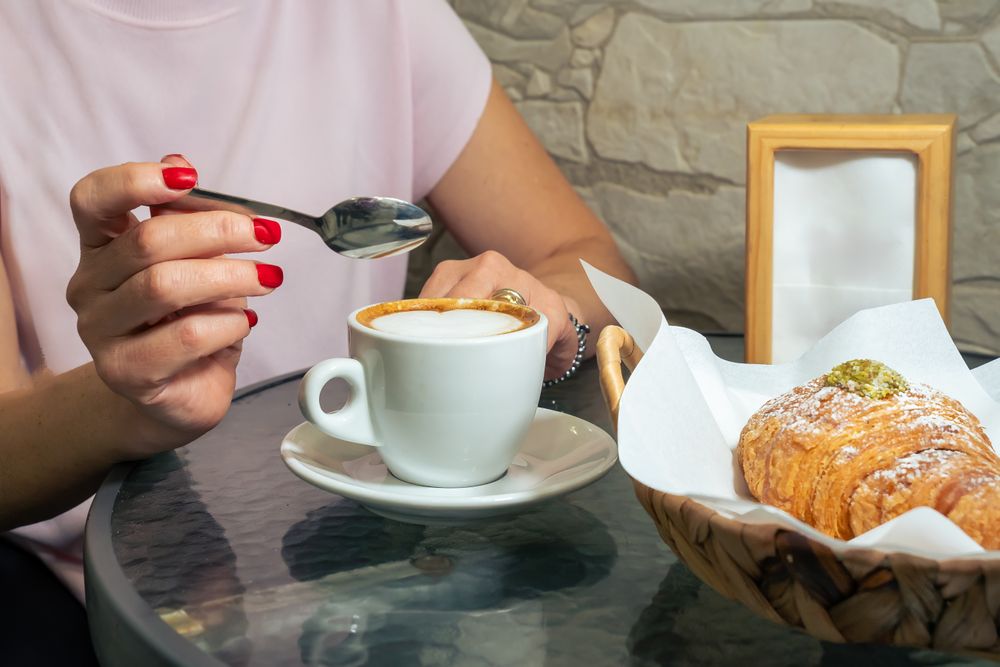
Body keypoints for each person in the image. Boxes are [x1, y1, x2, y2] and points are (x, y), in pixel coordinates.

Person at [0, 0, 636, 662]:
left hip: (366, 572)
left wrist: (544, 311)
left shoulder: (381, 16)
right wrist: (125, 408)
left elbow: (593, 264)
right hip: (70, 598)